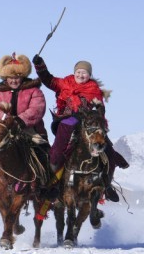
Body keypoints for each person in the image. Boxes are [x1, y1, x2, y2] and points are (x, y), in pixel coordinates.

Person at [32, 55, 129, 201]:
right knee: (58, 150)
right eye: (78, 72)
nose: (80, 75)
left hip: (89, 122)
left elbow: (99, 108)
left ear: (89, 75)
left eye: (84, 72)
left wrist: (95, 116)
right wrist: (39, 65)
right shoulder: (64, 83)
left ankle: (107, 185)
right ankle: (53, 183)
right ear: (74, 72)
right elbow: (48, 79)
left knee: (106, 148)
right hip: (68, 119)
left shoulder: (94, 89)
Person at [0, 53, 50, 194]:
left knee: (44, 153)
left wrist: (19, 121)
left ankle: (44, 183)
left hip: (30, 130)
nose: (14, 80)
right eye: (10, 77)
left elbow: (37, 109)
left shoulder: (34, 91)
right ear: (5, 77)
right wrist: (8, 121)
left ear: (22, 76)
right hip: (4, 130)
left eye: (17, 77)